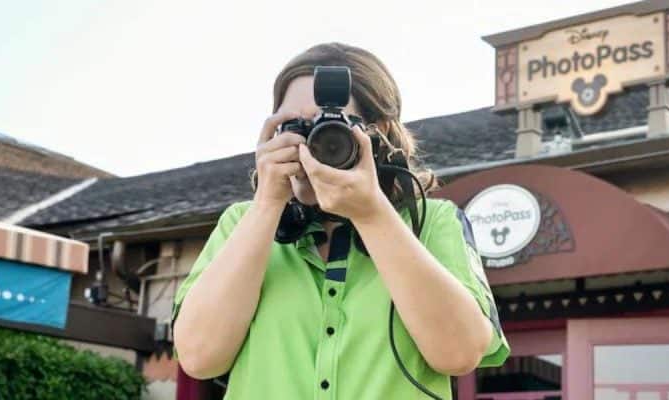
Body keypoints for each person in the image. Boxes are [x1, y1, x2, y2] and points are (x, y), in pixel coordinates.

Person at [171, 42, 510, 400]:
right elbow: (199, 358)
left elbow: (459, 354)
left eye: (328, 127)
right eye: (294, 127)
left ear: (376, 134)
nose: (309, 145)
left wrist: (372, 215)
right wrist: (268, 204)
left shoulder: (433, 222)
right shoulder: (241, 223)